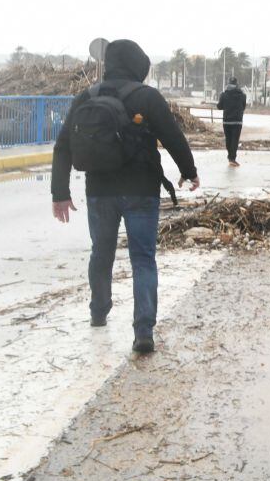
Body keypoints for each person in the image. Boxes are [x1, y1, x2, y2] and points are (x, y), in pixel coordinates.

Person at [51, 39, 199, 355]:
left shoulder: (86, 97)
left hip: (99, 191)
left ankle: (98, 312)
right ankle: (143, 331)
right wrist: (189, 171)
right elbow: (173, 137)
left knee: (101, 253)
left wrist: (60, 193)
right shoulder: (147, 97)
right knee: (143, 258)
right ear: (138, 65)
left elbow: (63, 146)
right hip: (141, 190)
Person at [217, 77, 247, 166]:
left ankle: (230, 157)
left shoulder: (223, 94)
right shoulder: (242, 95)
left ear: (228, 84)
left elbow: (219, 107)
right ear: (237, 84)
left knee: (228, 140)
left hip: (227, 121)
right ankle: (232, 158)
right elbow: (243, 107)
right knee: (235, 140)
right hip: (237, 122)